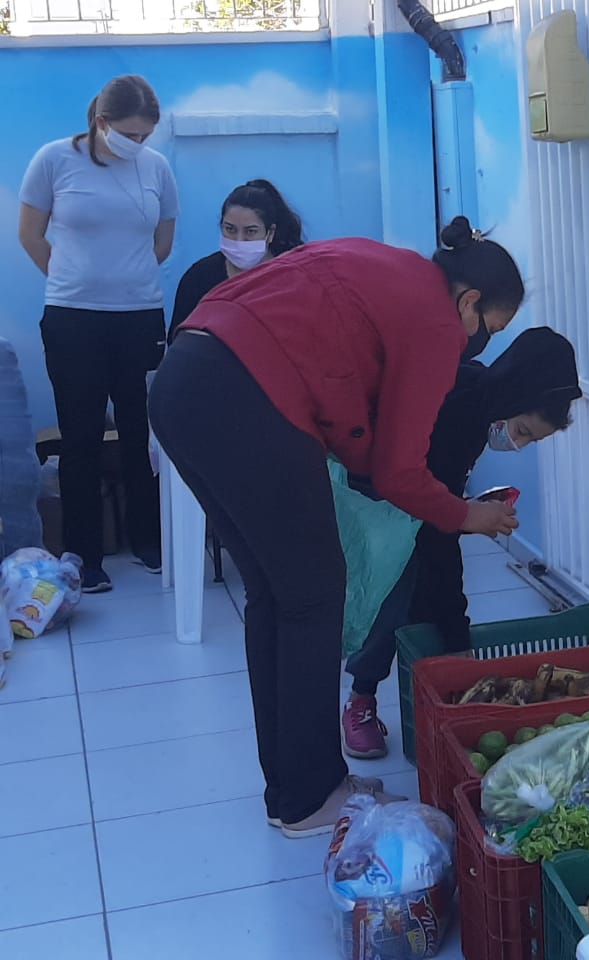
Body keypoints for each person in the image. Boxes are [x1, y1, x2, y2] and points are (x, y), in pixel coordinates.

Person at [148, 216, 524, 838]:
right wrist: (470, 517)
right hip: (244, 395)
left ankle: (296, 788)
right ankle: (308, 797)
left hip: (182, 382)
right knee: (313, 596)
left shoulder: (384, 260)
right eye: (488, 329)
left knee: (276, 593)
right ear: (470, 302)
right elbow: (399, 472)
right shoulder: (436, 321)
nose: (479, 343)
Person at [341, 327, 582, 759]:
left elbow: (439, 504)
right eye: (523, 430)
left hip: (410, 506)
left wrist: (464, 512)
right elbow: (435, 531)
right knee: (394, 596)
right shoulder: (459, 408)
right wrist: (459, 633)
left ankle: (439, 693)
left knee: (425, 597)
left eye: (531, 440)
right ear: (513, 394)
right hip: (371, 500)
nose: (519, 444)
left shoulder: (479, 396)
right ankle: (361, 698)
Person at [18, 74, 178, 593]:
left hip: (140, 317)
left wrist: (124, 281)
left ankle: (149, 540)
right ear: (102, 123)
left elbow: (163, 239)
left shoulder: (156, 168)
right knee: (82, 436)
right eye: (130, 135)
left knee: (144, 434)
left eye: (146, 137)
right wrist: (75, 282)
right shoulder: (53, 160)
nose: (139, 145)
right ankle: (84, 555)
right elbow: (30, 233)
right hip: (73, 319)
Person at [169, 179, 305, 341]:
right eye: (230, 229)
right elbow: (178, 342)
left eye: (250, 231)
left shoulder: (290, 279)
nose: (239, 240)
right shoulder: (199, 277)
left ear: (270, 233)